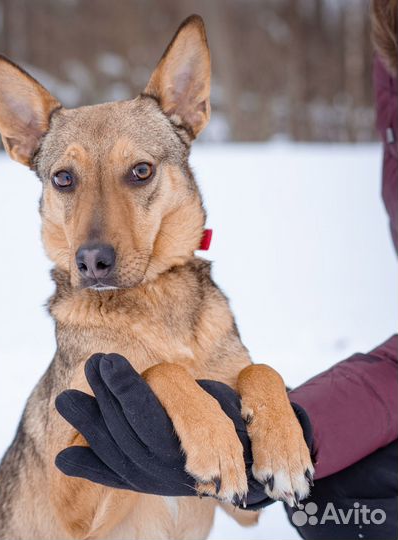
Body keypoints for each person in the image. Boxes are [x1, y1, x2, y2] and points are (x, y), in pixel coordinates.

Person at [55, 1, 398, 538]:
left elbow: (246, 511)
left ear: (189, 109)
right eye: (67, 180)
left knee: (335, 494)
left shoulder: (209, 322)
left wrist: (269, 398)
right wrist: (169, 386)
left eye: (138, 173)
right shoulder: (81, 329)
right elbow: (72, 514)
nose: (97, 244)